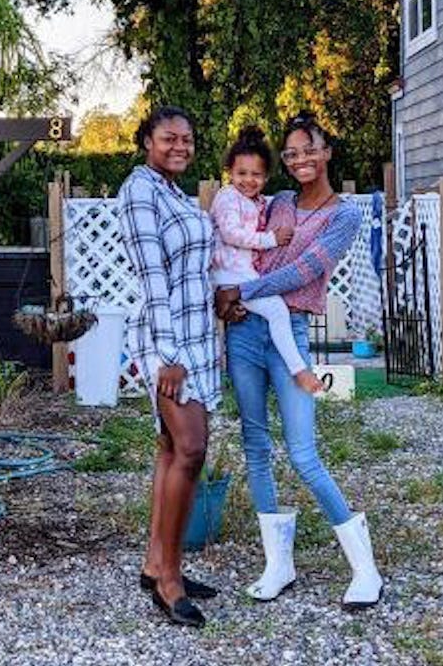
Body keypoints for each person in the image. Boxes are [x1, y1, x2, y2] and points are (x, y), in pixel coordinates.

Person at [214, 113, 384, 610]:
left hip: (285, 327)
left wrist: (239, 291)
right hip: (244, 328)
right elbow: (244, 245)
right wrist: (228, 294)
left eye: (308, 149)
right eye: (290, 154)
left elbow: (307, 269)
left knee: (304, 454)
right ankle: (278, 564)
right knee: (255, 446)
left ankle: (366, 571)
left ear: (327, 150)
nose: (300, 160)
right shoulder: (279, 201)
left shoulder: (345, 214)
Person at [116, 106, 219, 628]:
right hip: (168, 341)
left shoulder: (174, 193)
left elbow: (193, 268)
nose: (180, 146)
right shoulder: (139, 191)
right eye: (168, 138)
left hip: (196, 336)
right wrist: (170, 356)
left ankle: (155, 562)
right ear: (146, 141)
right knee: (192, 447)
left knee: (170, 449)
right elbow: (153, 278)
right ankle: (169, 580)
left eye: (187, 138)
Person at [209, 126, 324, 396]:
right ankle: (299, 370)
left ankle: (280, 370)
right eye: (241, 174)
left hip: (243, 275)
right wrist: (269, 240)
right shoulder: (228, 197)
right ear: (229, 172)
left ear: (266, 176)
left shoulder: (256, 200)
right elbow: (230, 233)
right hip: (230, 275)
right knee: (276, 311)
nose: (248, 180)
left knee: (272, 311)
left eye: (256, 175)